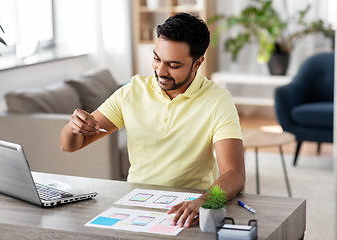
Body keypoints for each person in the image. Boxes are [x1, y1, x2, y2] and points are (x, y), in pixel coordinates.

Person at [60, 12, 245, 228]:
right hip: (135, 204)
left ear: (197, 63)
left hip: (187, 209)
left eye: (174, 65)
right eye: (157, 58)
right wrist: (73, 127)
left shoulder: (217, 100)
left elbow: (235, 174)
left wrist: (204, 201)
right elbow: (71, 146)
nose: (160, 71)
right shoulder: (132, 91)